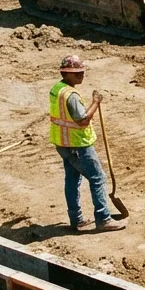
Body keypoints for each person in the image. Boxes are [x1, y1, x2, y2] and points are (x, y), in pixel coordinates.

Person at [49, 55, 125, 232]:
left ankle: (76, 219)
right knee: (97, 178)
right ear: (65, 74)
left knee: (72, 180)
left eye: (82, 72)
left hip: (63, 144)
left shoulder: (56, 89)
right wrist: (95, 103)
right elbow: (82, 120)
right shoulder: (71, 96)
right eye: (77, 74)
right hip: (78, 145)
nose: (81, 76)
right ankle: (103, 219)